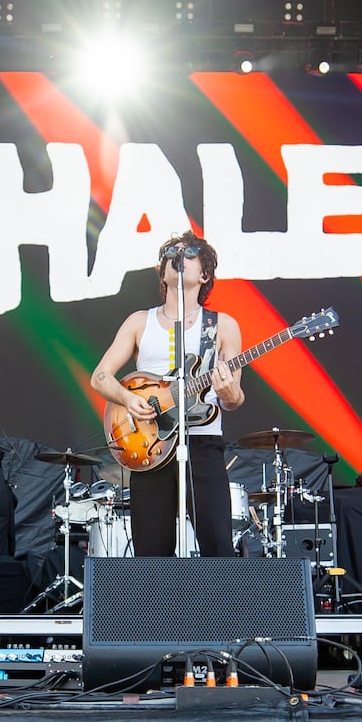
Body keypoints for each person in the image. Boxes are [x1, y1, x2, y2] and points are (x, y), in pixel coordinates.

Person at [90, 231, 244, 557]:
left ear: (204, 274)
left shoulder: (222, 326)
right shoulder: (139, 322)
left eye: (188, 252)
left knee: (218, 546)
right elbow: (101, 377)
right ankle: (157, 608)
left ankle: (220, 608)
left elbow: (233, 400)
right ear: (163, 272)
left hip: (202, 443)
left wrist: (229, 392)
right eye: (171, 253)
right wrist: (127, 398)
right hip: (151, 447)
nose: (178, 256)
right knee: (151, 551)